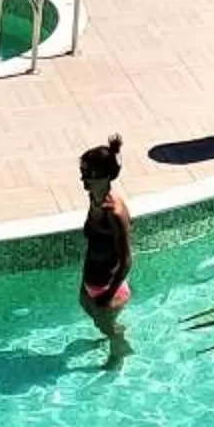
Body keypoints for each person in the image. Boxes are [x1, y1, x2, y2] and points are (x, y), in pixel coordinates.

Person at [78, 133, 134, 366]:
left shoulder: (114, 214)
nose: (83, 180)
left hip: (108, 287)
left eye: (89, 174)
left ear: (106, 176)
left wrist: (108, 296)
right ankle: (112, 330)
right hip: (93, 281)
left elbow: (127, 260)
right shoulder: (95, 197)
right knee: (86, 307)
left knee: (105, 325)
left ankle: (119, 349)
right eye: (82, 173)